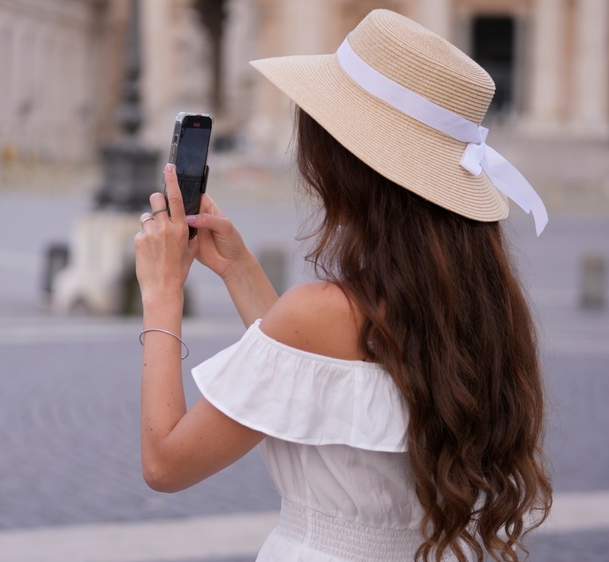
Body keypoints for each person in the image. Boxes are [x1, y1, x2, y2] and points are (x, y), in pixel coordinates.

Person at [133, 10, 551, 562]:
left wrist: (163, 292)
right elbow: (316, 366)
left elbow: (165, 463)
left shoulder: (324, 314)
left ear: (340, 163)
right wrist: (238, 269)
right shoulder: (482, 306)